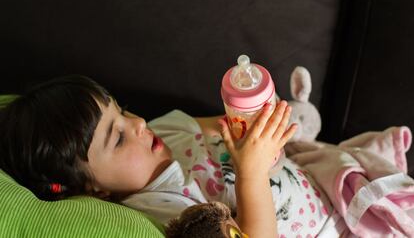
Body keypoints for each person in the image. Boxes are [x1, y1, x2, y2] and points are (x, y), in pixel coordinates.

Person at [0, 75, 338, 237]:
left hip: (328, 186)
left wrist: (253, 115)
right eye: (117, 137)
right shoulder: (158, 211)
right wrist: (251, 171)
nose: (138, 124)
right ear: (95, 190)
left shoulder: (169, 128)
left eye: (123, 110)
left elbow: (228, 127)